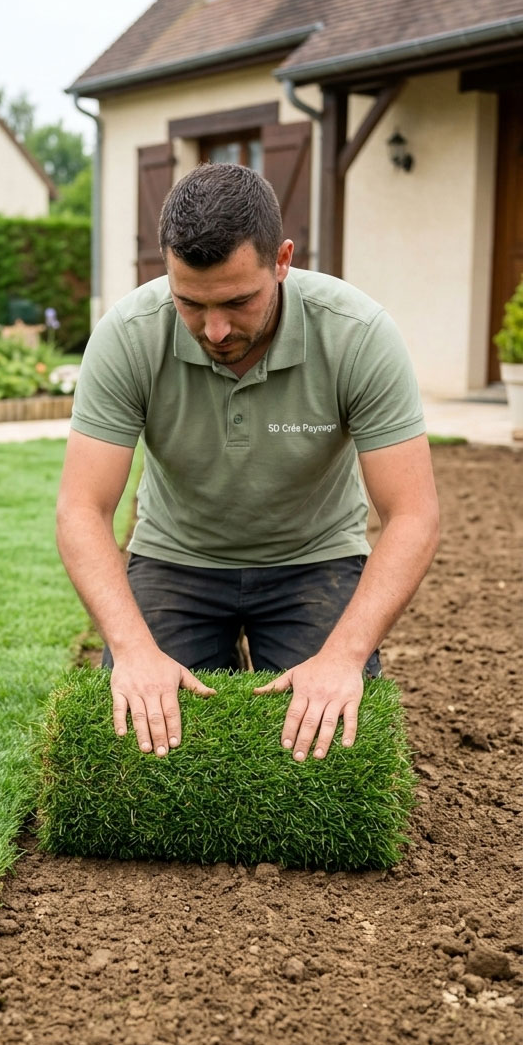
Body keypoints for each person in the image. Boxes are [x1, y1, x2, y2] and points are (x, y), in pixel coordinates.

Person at [56, 162, 439, 765]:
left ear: (282, 260)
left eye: (239, 301)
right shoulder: (128, 335)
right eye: (189, 303)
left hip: (314, 558)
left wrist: (340, 659)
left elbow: (414, 515)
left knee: (328, 759)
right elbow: (81, 509)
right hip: (177, 555)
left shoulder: (357, 334)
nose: (214, 328)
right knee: (146, 754)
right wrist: (133, 650)